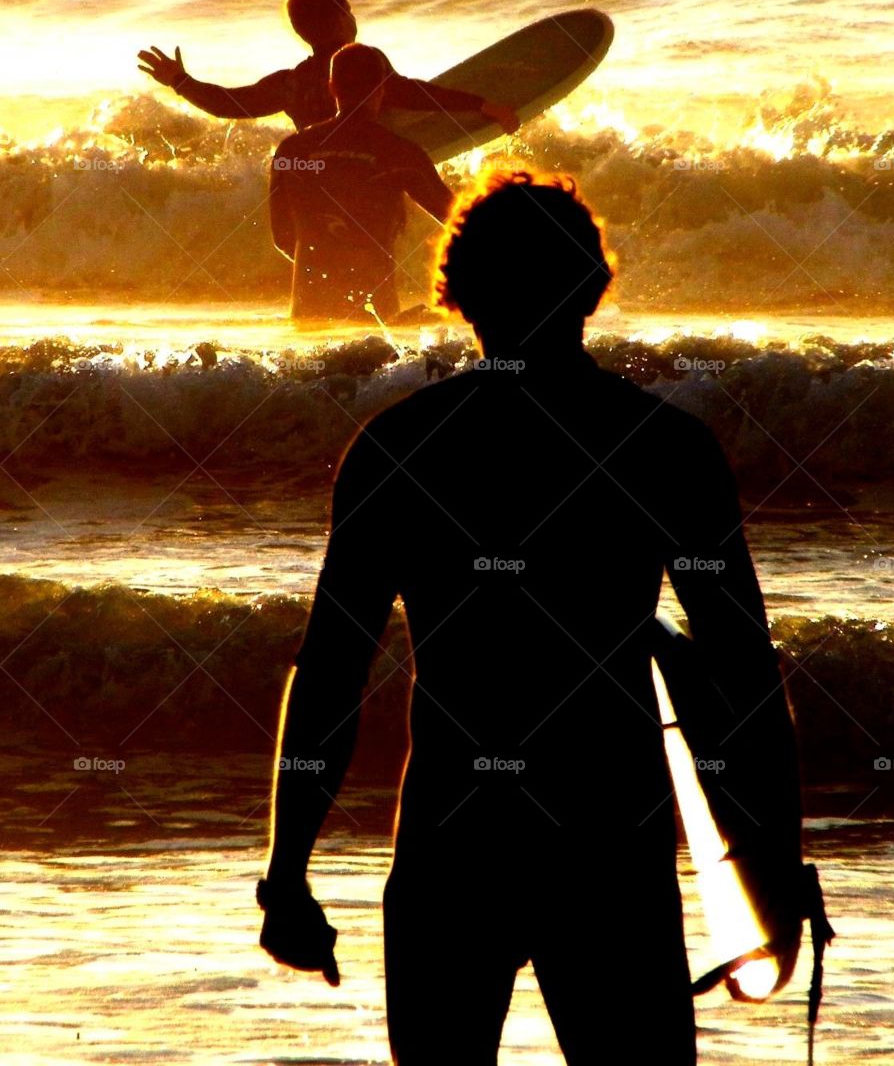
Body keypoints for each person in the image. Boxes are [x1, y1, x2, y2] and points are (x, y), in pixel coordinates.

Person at [256, 169, 802, 1064]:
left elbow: (332, 669)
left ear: (457, 292)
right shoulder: (665, 448)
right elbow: (743, 671)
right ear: (593, 285)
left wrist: (287, 876)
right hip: (608, 840)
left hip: (452, 838)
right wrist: (774, 862)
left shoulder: (400, 446)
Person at [137, 0, 518, 133]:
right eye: (349, 9)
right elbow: (412, 94)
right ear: (340, 21)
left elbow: (231, 105)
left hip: (316, 179)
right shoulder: (364, 63)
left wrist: (180, 81)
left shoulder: (290, 83)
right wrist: (483, 106)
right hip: (371, 174)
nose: (354, 17)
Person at [269, 42, 453, 322]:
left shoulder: (292, 150)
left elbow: (282, 237)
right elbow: (462, 223)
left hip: (308, 316)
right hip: (377, 320)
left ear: (332, 88)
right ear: (382, 89)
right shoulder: (399, 152)